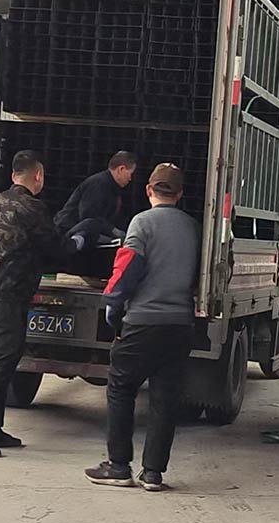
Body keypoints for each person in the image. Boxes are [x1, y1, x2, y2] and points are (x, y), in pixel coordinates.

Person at [0, 150, 92, 457]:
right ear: (38, 177)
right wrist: (80, 240)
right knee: (3, 361)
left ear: (13, 175)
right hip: (9, 294)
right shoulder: (33, 207)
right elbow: (57, 248)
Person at [84, 163, 200, 492]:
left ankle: (119, 466)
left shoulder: (141, 222)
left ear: (149, 190)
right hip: (179, 325)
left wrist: (113, 309)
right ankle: (153, 473)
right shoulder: (193, 227)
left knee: (121, 390)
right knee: (165, 398)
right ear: (179, 194)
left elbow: (126, 269)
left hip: (143, 322)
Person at [54, 151, 137, 243]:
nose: (130, 179)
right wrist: (113, 231)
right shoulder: (98, 184)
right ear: (121, 169)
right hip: (69, 236)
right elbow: (89, 217)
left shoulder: (111, 187)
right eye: (131, 174)